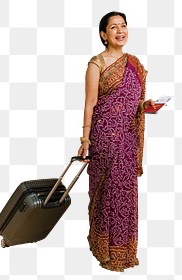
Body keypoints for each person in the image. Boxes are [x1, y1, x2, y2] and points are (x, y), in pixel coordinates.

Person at [78, 11, 154, 272]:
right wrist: (85, 139)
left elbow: (135, 103)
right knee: (106, 192)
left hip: (128, 139)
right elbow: (90, 103)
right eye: (114, 27)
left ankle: (124, 250)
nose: (120, 31)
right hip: (104, 138)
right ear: (104, 35)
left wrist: (147, 106)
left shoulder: (134, 64)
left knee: (125, 192)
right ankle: (103, 248)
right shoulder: (96, 64)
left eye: (123, 26)